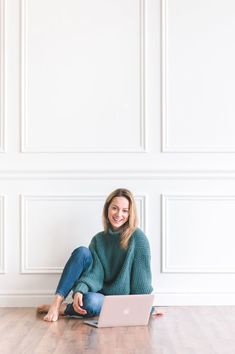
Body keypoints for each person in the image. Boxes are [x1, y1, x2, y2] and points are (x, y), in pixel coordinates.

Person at [38, 188, 160, 322]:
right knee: (82, 252)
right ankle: (55, 304)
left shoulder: (138, 238)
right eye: (115, 208)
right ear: (107, 208)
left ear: (130, 214)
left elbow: (141, 280)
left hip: (120, 301)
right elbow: (95, 273)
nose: (119, 214)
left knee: (89, 303)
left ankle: (65, 309)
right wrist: (80, 290)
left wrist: (148, 308)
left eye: (125, 211)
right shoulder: (98, 239)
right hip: (100, 294)